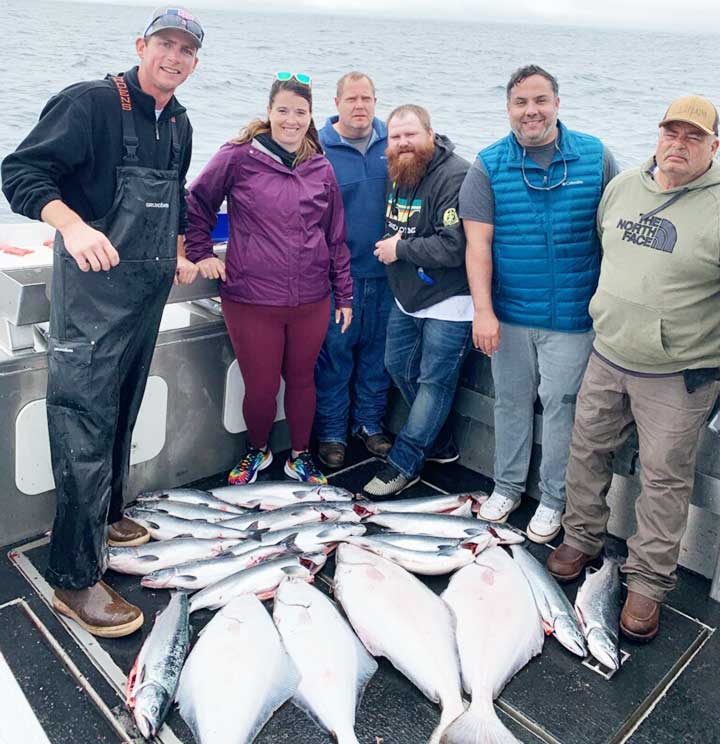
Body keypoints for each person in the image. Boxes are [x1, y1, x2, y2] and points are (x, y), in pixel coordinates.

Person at [1, 7, 202, 637]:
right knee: (84, 427)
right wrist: (72, 224)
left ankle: (108, 514)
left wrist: (177, 250)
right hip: (90, 299)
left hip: (144, 294)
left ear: (196, 62)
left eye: (186, 51)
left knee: (123, 409)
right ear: (141, 45)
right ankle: (75, 579)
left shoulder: (179, 121)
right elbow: (20, 173)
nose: (174, 57)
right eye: (165, 44)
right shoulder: (88, 103)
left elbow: (176, 192)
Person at [547, 95, 720, 641]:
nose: (679, 144)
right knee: (587, 449)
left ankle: (648, 583)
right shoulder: (622, 188)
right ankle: (580, 536)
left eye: (694, 137)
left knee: (664, 479)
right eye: (672, 133)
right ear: (658, 136)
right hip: (609, 353)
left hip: (680, 373)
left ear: (714, 146)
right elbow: (606, 247)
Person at [460, 65, 619, 543]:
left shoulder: (595, 157)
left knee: (561, 407)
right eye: (521, 103)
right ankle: (506, 486)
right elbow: (477, 247)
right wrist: (483, 311)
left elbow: (618, 231)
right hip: (509, 316)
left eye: (540, 101)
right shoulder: (488, 165)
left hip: (573, 317)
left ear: (557, 103)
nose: (531, 111)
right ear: (508, 109)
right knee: (510, 402)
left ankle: (553, 498)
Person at [185, 73, 353, 487]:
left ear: (311, 116)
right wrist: (200, 253)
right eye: (283, 110)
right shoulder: (238, 157)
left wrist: (344, 294)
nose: (291, 120)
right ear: (269, 112)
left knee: (302, 380)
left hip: (312, 300)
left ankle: (299, 456)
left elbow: (335, 237)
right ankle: (256, 450)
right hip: (250, 299)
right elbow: (197, 202)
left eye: (300, 112)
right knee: (260, 387)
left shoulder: (321, 167)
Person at [363, 105, 472, 497]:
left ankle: (404, 462)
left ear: (430, 134)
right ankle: (439, 445)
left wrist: (401, 249)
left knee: (434, 383)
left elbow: (454, 246)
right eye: (395, 137)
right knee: (397, 365)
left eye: (410, 135)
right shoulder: (399, 169)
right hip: (407, 296)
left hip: (450, 300)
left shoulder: (456, 175)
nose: (403, 143)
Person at [314, 72, 393, 468]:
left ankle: (369, 423)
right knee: (335, 356)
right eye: (351, 99)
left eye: (366, 98)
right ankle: (331, 431)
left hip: (387, 275)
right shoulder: (317, 148)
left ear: (376, 101)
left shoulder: (393, 143)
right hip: (339, 278)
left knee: (378, 356)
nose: (359, 105)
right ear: (337, 103)